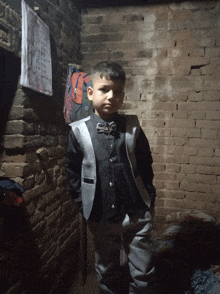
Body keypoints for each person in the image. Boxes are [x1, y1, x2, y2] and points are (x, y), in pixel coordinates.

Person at [66, 61, 157, 294]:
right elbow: (73, 172)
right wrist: (83, 204)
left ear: (123, 95)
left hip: (137, 212)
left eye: (117, 91)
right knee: (107, 270)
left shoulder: (133, 127)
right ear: (90, 92)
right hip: (101, 214)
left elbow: (146, 165)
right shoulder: (77, 131)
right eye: (104, 89)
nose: (111, 96)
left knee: (143, 272)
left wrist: (149, 199)